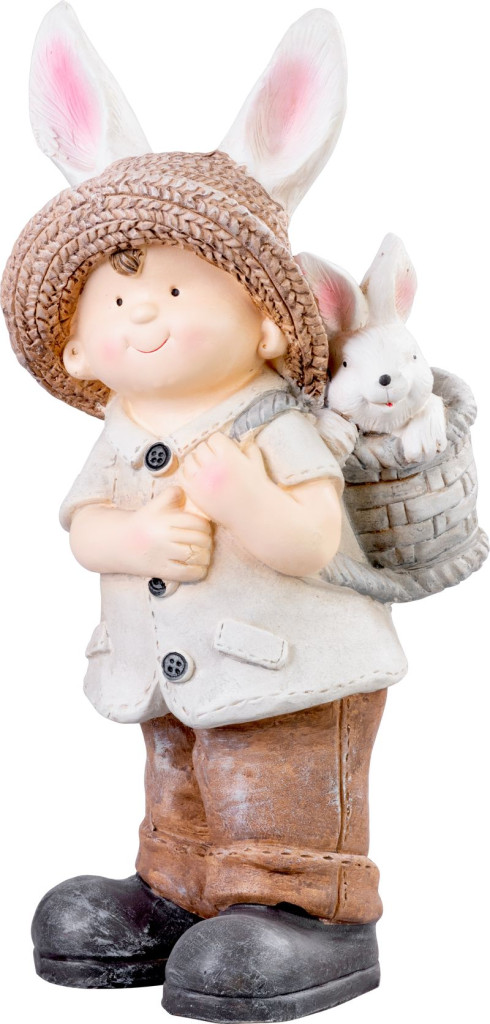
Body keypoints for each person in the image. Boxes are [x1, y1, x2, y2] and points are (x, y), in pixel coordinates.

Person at [2, 6, 409, 1020]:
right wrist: (133, 537)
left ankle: (307, 907)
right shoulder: (121, 428)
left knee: (273, 785)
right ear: (78, 345)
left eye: (180, 291)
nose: (143, 310)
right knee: (182, 776)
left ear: (267, 321)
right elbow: (84, 527)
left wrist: (248, 501)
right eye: (118, 297)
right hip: (172, 677)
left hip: (291, 676)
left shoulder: (273, 418)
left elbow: (314, 540)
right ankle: (179, 889)